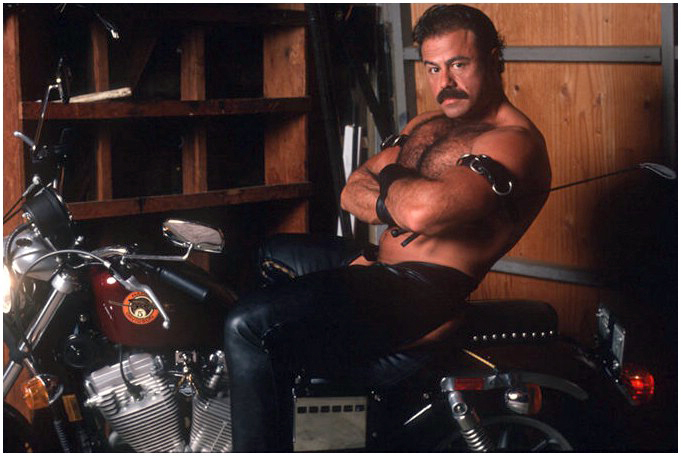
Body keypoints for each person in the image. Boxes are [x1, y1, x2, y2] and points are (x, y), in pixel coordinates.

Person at [224, 4, 551, 451]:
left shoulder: (513, 141)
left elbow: (423, 213)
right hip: (378, 265)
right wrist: (397, 197)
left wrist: (391, 179)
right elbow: (351, 189)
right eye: (433, 68)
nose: (444, 82)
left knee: (246, 325)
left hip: (425, 290)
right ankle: (306, 420)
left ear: (493, 60)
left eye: (458, 64)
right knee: (270, 253)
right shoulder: (427, 124)